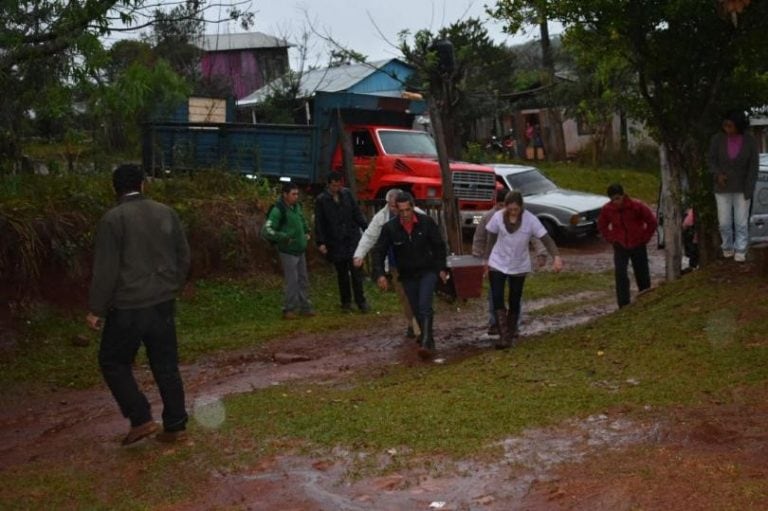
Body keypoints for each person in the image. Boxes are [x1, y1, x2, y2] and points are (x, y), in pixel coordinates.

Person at [86, 164, 190, 445]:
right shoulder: (165, 212)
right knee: (166, 365)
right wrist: (172, 286)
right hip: (162, 304)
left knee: (113, 362)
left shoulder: (113, 219)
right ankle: (176, 426)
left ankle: (141, 418)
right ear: (143, 184)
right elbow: (183, 257)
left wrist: (96, 309)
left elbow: (105, 270)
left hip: (128, 307)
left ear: (114, 188)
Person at [371, 192, 449, 359]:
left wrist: (441, 268)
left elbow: (439, 246)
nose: (405, 214)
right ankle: (428, 338)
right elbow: (379, 251)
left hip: (427, 270)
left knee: (424, 304)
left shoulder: (426, 223)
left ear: (413, 207)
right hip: (407, 274)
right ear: (396, 211)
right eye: (401, 211)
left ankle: (426, 341)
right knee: (415, 308)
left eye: (408, 210)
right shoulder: (390, 228)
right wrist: (380, 274)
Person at [484, 190, 563, 349]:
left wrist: (556, 256)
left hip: (519, 264)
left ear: (521, 207)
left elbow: (545, 239)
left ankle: (511, 332)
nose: (513, 212)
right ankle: (504, 336)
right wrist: (485, 260)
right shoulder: (497, 217)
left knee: (515, 298)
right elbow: (490, 238)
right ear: (505, 207)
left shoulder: (530, 220)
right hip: (498, 262)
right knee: (497, 296)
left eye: (516, 209)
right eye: (510, 209)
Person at [472, 188, 547, 336]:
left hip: (515, 262)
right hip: (495, 261)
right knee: (495, 295)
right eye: (499, 205)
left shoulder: (523, 218)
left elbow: (534, 236)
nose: (502, 209)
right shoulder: (487, 216)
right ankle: (495, 323)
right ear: (495, 204)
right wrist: (478, 254)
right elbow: (479, 235)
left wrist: (541, 252)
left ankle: (514, 325)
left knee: (515, 295)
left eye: (503, 205)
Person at [353, 188, 423, 337]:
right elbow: (369, 236)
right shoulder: (381, 217)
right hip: (395, 263)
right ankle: (413, 324)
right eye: (390, 205)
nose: (393, 209)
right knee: (404, 295)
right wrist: (359, 254)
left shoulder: (418, 214)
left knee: (417, 293)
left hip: (417, 262)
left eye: (395, 205)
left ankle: (420, 325)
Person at [708, 109, 759, 262]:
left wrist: (749, 188)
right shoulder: (717, 139)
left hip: (743, 188)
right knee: (724, 222)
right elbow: (711, 160)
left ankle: (741, 250)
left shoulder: (749, 141)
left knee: (741, 222)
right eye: (725, 126)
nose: (727, 129)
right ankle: (727, 247)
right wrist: (717, 174)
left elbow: (753, 166)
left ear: (739, 125)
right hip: (722, 188)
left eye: (730, 126)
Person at [315, 172, 369, 312]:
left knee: (356, 272)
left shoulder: (347, 195)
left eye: (339, 184)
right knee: (342, 274)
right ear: (329, 184)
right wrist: (321, 242)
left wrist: (366, 228)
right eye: (334, 185)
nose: (336, 188)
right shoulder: (322, 200)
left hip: (351, 239)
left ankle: (361, 301)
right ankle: (346, 302)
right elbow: (319, 223)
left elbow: (356, 213)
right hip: (335, 241)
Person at [598, 183, 657, 309]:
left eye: (618, 198)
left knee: (642, 272)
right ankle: (623, 304)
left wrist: (644, 238)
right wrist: (611, 238)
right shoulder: (607, 209)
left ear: (623, 196)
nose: (616, 202)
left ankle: (645, 298)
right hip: (620, 245)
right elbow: (602, 225)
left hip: (638, 244)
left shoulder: (637, 206)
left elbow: (652, 222)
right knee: (620, 274)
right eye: (613, 199)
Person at [262, 181, 314, 319]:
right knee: (292, 281)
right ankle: (288, 309)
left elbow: (302, 221)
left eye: (297, 194)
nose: (296, 197)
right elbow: (267, 230)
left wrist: (306, 231)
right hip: (287, 251)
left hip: (300, 249)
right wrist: (283, 237)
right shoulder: (278, 210)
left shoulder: (297, 207)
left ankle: (305, 307)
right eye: (293, 194)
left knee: (303, 279)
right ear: (285, 195)